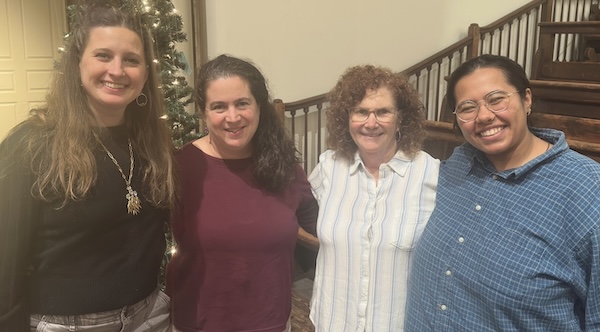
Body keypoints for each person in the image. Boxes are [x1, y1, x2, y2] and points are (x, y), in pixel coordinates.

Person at [0, 2, 176, 331]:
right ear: (77, 63)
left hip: (150, 316)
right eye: (103, 55)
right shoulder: (31, 145)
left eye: (132, 60)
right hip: (67, 324)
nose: (118, 70)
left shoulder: (151, 142)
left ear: (145, 73)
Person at [405, 54, 600, 331]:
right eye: (467, 107)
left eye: (496, 99)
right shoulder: (457, 165)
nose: (484, 116)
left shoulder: (585, 188)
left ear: (527, 99)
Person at [166, 54, 318, 332]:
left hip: (271, 323)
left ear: (259, 105)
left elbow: (323, 225)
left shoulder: (284, 165)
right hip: (198, 324)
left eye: (242, 103)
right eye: (219, 107)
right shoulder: (180, 167)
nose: (232, 117)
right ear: (203, 112)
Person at [308, 65, 440, 331]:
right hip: (333, 321)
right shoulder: (328, 168)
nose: (371, 123)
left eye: (383, 112)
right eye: (360, 111)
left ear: (400, 118)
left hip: (396, 323)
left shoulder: (430, 173)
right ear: (347, 118)